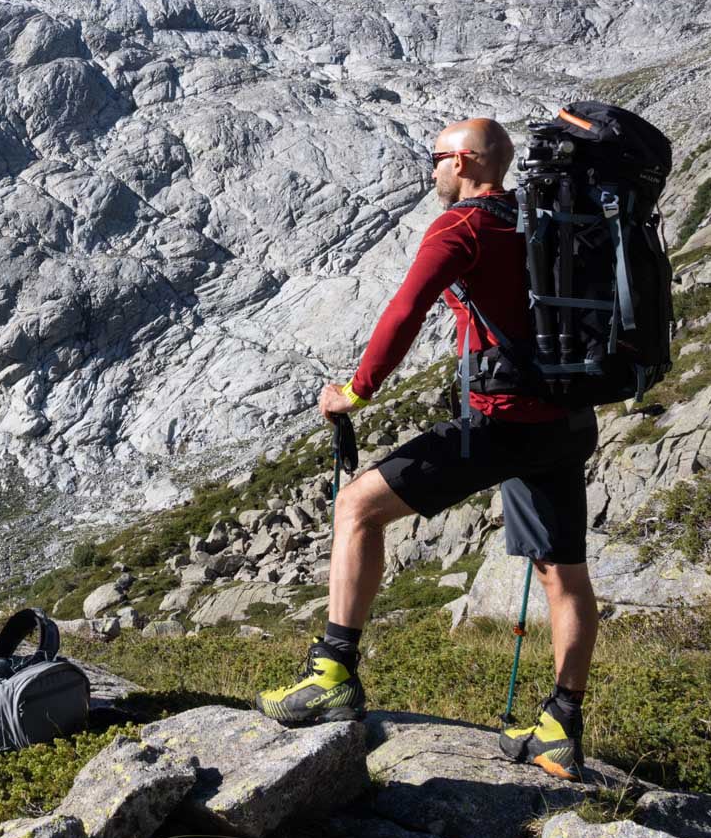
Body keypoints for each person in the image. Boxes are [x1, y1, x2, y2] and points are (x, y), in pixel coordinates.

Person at [254, 118, 601, 781]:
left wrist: (353, 394)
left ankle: (332, 674)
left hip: (501, 421)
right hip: (565, 419)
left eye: (436, 157)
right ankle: (560, 727)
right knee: (564, 573)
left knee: (357, 507)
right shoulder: (543, 218)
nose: (431, 169)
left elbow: (406, 310)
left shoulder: (462, 225)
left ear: (465, 161)